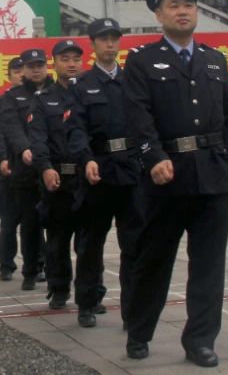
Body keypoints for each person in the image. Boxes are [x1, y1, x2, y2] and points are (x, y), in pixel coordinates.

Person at [122, 0, 228, 366]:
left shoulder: (214, 60)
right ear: (159, 14)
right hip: (168, 178)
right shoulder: (142, 61)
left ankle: (200, 339)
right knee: (154, 260)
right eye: (174, 5)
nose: (183, 12)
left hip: (213, 174)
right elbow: (137, 117)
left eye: (189, 5)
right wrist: (154, 157)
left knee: (210, 265)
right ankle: (140, 329)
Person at [69, 17, 143, 330]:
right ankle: (87, 302)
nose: (110, 44)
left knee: (135, 244)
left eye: (114, 38)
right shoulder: (82, 85)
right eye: (103, 39)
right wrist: (86, 158)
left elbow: (146, 123)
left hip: (130, 170)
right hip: (98, 172)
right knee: (90, 244)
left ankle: (134, 309)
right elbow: (74, 128)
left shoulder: (134, 82)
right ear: (93, 44)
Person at [27, 39, 87, 310]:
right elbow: (37, 138)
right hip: (58, 181)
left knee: (89, 242)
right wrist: (45, 167)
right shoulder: (43, 100)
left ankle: (90, 293)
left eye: (76, 58)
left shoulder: (89, 93)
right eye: (65, 59)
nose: (72, 63)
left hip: (87, 179)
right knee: (58, 241)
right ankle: (59, 288)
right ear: (55, 63)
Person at [0, 47, 51, 291]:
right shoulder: (11, 98)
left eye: (40, 65)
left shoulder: (57, 93)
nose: (36, 69)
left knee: (56, 224)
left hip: (53, 169)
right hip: (25, 171)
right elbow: (10, 128)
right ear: (24, 70)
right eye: (30, 66)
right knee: (28, 223)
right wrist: (22, 150)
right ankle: (28, 271)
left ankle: (52, 271)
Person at [0, 56, 26, 280]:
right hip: (10, 168)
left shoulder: (37, 98)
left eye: (24, 69)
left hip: (33, 169)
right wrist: (2, 158)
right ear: (9, 75)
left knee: (35, 221)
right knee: (9, 220)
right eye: (16, 70)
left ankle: (37, 264)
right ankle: (6, 265)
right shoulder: (1, 101)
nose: (21, 74)